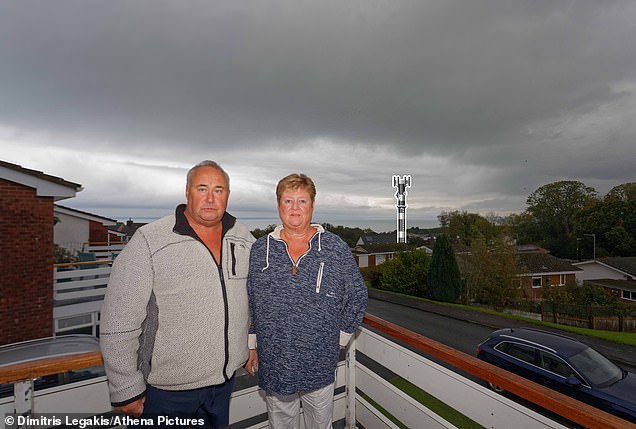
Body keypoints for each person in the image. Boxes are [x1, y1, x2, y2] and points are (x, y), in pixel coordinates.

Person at [100, 160, 255, 428]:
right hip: (166, 393)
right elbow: (118, 319)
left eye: (219, 190)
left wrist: (250, 342)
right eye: (202, 188)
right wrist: (126, 387)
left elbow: (252, 299)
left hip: (224, 386)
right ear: (187, 192)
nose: (210, 198)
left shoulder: (243, 238)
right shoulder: (151, 240)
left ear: (228, 195)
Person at [245, 173, 368, 429]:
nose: (295, 208)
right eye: (288, 201)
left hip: (319, 362)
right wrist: (252, 344)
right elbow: (252, 300)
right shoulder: (260, 250)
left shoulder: (334, 248)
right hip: (275, 360)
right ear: (279, 205)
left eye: (302, 201)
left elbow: (358, 294)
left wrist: (341, 338)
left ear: (312, 205)